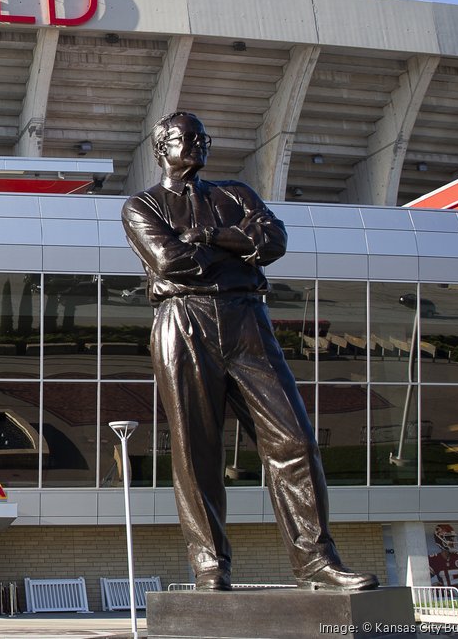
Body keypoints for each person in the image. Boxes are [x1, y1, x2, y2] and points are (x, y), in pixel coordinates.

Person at [121, 112, 377, 592]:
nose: (197, 146)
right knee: (197, 450)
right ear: (161, 148)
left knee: (295, 440)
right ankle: (210, 567)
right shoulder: (143, 205)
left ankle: (316, 564)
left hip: (246, 320)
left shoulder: (236, 194)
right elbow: (171, 260)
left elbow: (274, 241)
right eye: (185, 139)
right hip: (183, 321)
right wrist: (237, 248)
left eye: (203, 138)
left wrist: (210, 236)